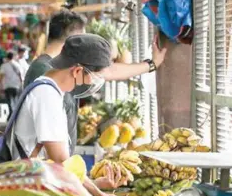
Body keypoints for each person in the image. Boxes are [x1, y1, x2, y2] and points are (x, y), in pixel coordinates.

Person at [24, 9, 168, 157]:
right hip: (45, 167)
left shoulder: (61, 68)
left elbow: (108, 71)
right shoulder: (45, 73)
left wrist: (152, 64)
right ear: (74, 40)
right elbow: (51, 148)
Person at [8, 34, 126, 196]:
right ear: (77, 71)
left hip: (38, 190)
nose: (93, 83)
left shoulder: (49, 90)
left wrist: (94, 184)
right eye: (95, 77)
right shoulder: (46, 96)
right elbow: (62, 162)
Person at [0, 52, 23, 117]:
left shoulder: (4, 66)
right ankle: (15, 114)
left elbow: (2, 76)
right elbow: (20, 75)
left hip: (7, 85)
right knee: (15, 100)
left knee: (9, 100)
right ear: (13, 57)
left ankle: (11, 114)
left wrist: (1, 84)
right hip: (16, 85)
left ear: (7, 58)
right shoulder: (17, 65)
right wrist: (21, 83)